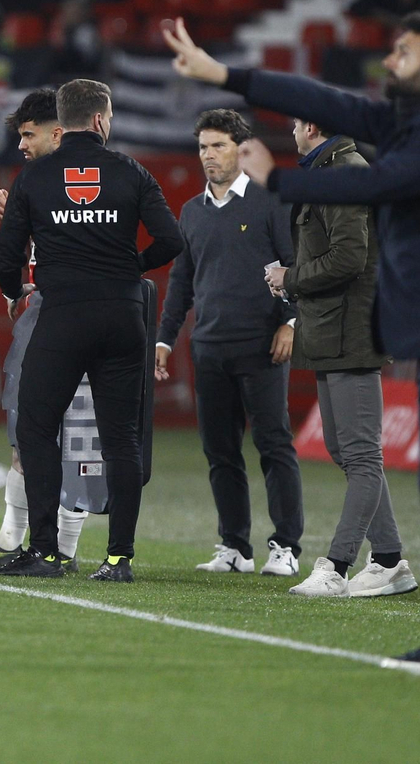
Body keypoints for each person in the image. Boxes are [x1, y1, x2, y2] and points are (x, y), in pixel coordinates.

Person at [167, 11, 420, 672]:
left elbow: (374, 185)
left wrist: (281, 181)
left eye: (403, 51)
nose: (390, 60)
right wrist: (226, 74)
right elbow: (326, 101)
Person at [0, 80, 182, 580]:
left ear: (65, 119)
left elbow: (7, 257)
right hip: (123, 316)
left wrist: (18, 291)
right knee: (121, 437)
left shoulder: (34, 177)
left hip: (64, 315)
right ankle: (119, 558)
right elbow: (172, 239)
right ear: (100, 120)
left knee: (35, 428)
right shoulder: (131, 171)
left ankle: (47, 552)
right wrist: (133, 266)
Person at [155, 108, 304, 579]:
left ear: (241, 150)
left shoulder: (268, 202)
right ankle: (235, 546)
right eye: (203, 147)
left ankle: (285, 546)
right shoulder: (192, 212)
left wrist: (292, 323)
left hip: (262, 345)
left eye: (218, 146)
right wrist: (164, 337)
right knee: (220, 451)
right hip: (210, 346)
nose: (208, 156)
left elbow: (295, 264)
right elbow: (181, 282)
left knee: (274, 444)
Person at [0, 88, 95, 571]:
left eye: (28, 134)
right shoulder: (33, 180)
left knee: (72, 436)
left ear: (58, 131)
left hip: (76, 315)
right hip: (40, 314)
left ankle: (66, 548)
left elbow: (90, 248)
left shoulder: (89, 177)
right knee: (22, 430)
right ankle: (12, 536)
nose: (21, 145)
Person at [272, 119, 414, 600]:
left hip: (351, 327)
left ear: (311, 126)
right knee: (344, 448)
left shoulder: (344, 173)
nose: (291, 131)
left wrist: (289, 277)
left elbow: (349, 258)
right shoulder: (332, 170)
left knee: (360, 454)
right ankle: (391, 559)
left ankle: (336, 565)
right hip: (334, 327)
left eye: (294, 123)